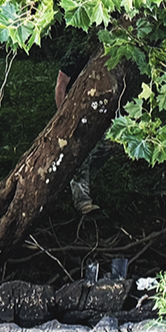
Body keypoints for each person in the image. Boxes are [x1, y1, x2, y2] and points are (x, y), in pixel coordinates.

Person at [55, 52, 105, 214]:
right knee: (79, 152)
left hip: (98, 110)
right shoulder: (75, 53)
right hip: (76, 111)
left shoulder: (108, 52)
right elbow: (61, 84)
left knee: (107, 146)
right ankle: (82, 201)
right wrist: (65, 116)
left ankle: (85, 182)